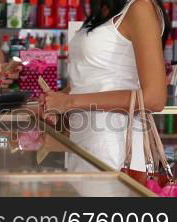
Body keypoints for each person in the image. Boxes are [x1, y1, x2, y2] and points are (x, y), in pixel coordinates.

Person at [43, 0, 170, 171]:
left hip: (116, 146)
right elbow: (90, 80)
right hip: (83, 141)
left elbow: (154, 98)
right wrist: (57, 101)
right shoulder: (105, 8)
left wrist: (69, 102)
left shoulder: (140, 7)